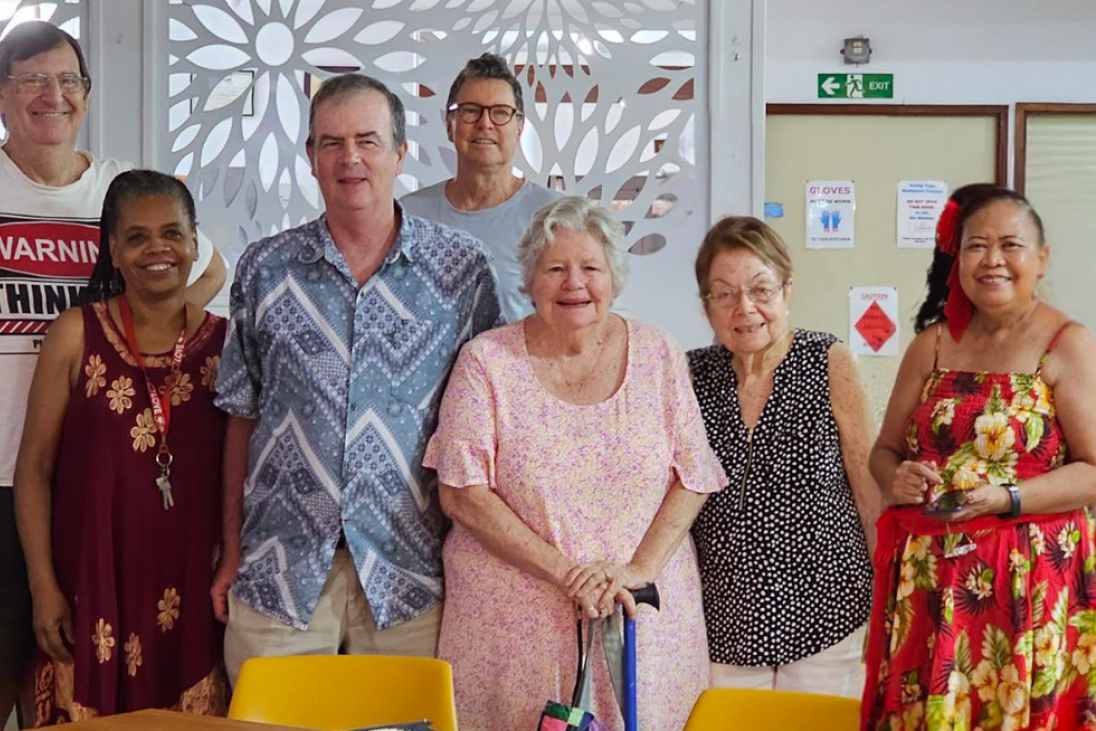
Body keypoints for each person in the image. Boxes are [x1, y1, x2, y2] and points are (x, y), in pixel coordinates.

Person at [212, 73, 501, 687]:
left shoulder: (460, 271)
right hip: (280, 572)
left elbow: (487, 426)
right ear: (312, 158)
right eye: (331, 143)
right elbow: (240, 417)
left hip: (411, 575)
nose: (350, 158)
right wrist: (232, 552)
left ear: (399, 154)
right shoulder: (265, 268)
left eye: (368, 141)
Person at [422, 195, 726, 731]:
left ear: (614, 276)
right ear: (530, 278)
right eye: (555, 268)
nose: (574, 283)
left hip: (642, 617)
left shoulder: (658, 353)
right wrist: (570, 575)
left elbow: (693, 477)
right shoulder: (487, 362)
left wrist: (637, 573)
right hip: (513, 630)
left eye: (590, 267)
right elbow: (462, 494)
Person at [0, 21, 224, 725]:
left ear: (87, 95)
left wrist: (148, 330)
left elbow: (208, 265)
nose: (52, 95)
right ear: (2, 94)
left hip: (86, 479)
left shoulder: (117, 187)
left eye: (67, 80)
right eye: (32, 79)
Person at [863, 184, 1096, 731]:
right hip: (927, 581)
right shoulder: (933, 344)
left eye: (1010, 245)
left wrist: (1008, 498)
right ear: (956, 257)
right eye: (976, 246)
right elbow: (883, 451)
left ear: (1040, 259)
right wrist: (897, 478)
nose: (993, 260)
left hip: (1029, 584)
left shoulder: (1065, 342)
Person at [687, 216, 877, 697]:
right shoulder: (689, 374)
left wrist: (890, 593)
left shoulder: (829, 359)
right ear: (706, 305)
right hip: (723, 621)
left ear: (787, 290)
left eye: (761, 289)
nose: (745, 308)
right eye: (724, 293)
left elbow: (868, 485)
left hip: (829, 612)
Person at [401, 53, 561, 323]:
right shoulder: (408, 216)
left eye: (500, 112)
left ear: (519, 128)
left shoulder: (554, 217)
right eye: (471, 111)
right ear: (450, 126)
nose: (485, 123)